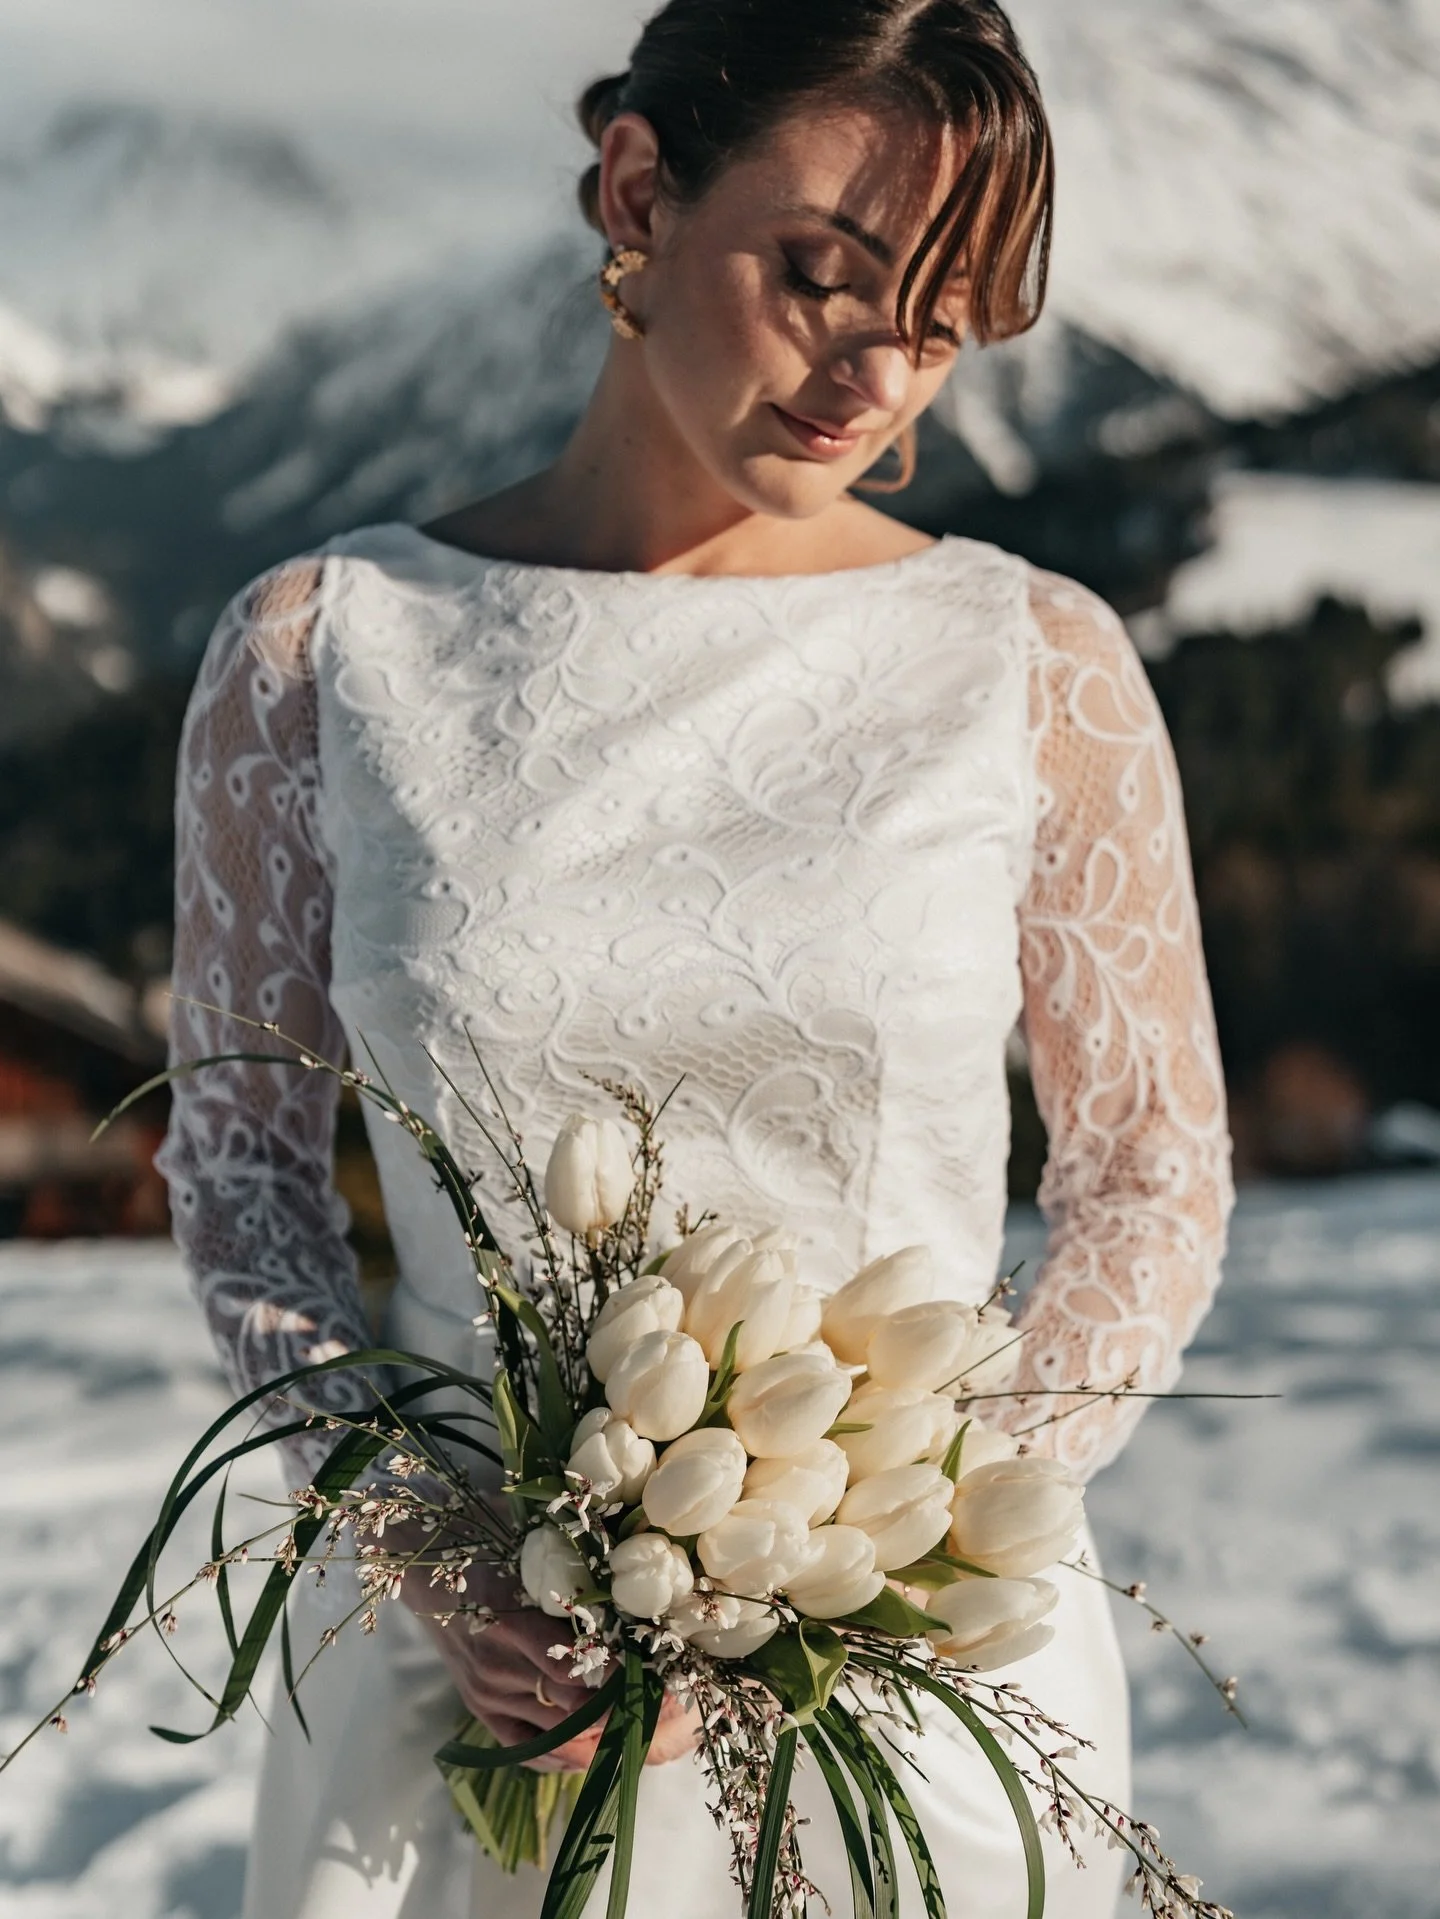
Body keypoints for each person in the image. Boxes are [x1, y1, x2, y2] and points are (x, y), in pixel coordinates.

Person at [156, 2, 1235, 1913]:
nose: (877, 373)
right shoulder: (321, 653)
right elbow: (243, 1175)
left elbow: (1150, 1171)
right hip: (461, 1681)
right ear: (641, 190)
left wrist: (883, 1529)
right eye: (823, 276)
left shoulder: (1035, 664)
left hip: (915, 1691)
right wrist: (429, 1536)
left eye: (942, 316)